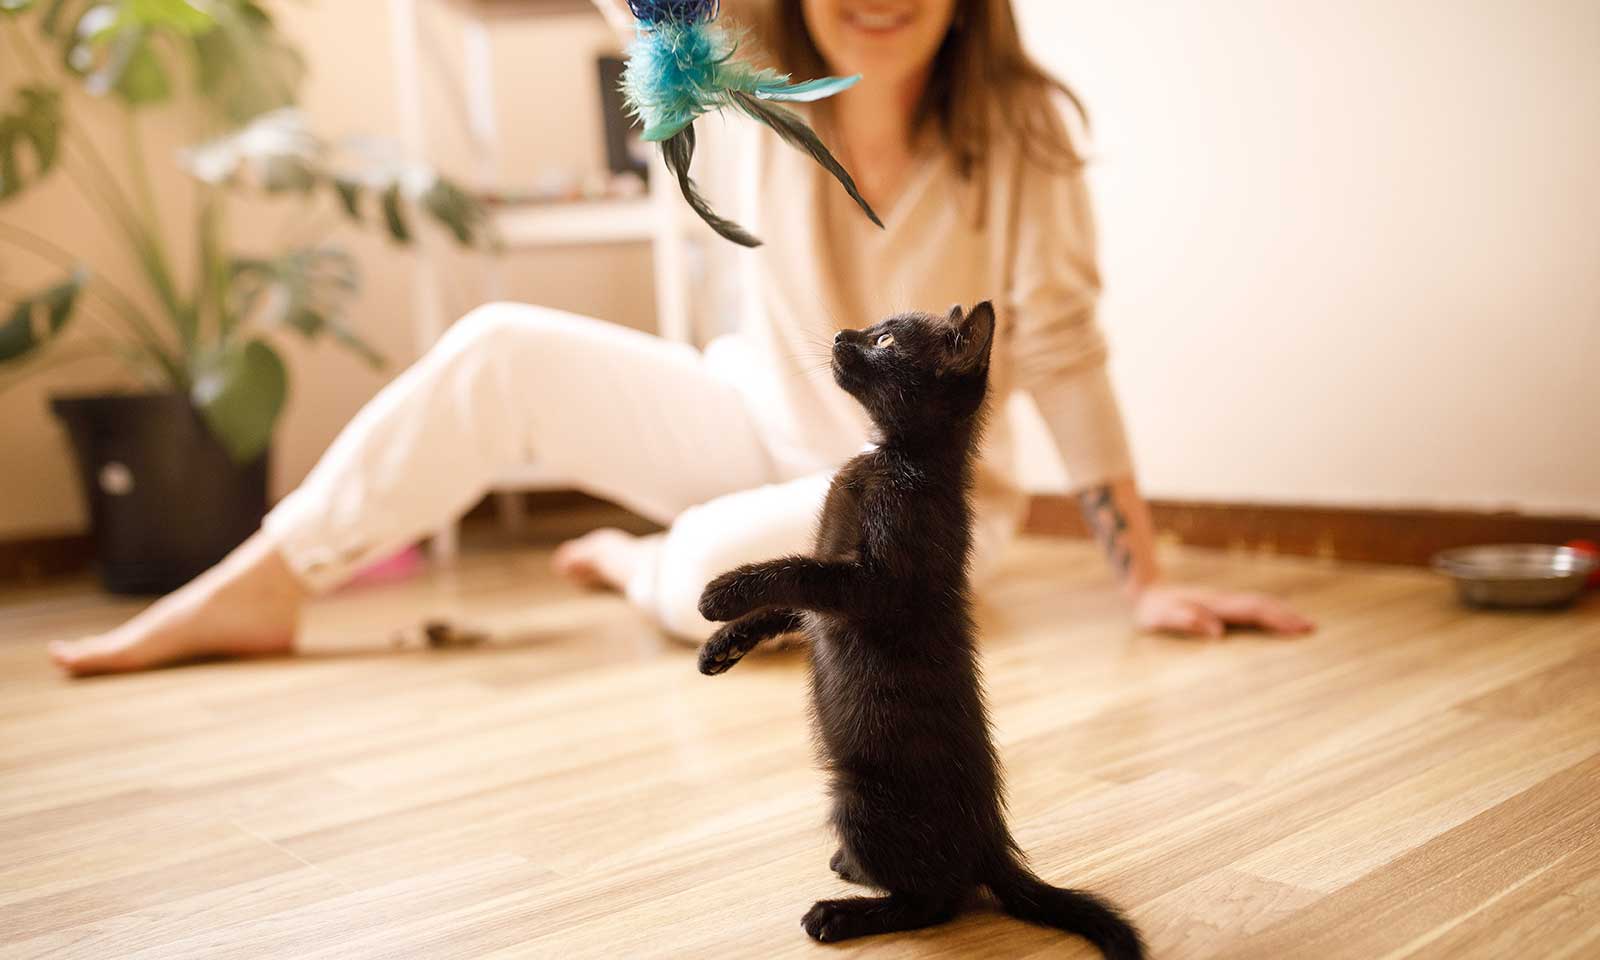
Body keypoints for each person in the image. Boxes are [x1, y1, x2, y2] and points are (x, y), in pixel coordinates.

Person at [48, 0, 1312, 677]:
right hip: (744, 412)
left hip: (895, 503)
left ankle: (628, 564)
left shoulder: (1023, 130)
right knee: (497, 344)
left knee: (721, 566)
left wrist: (1141, 578)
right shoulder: (739, 59)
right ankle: (259, 591)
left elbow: (1069, 355)